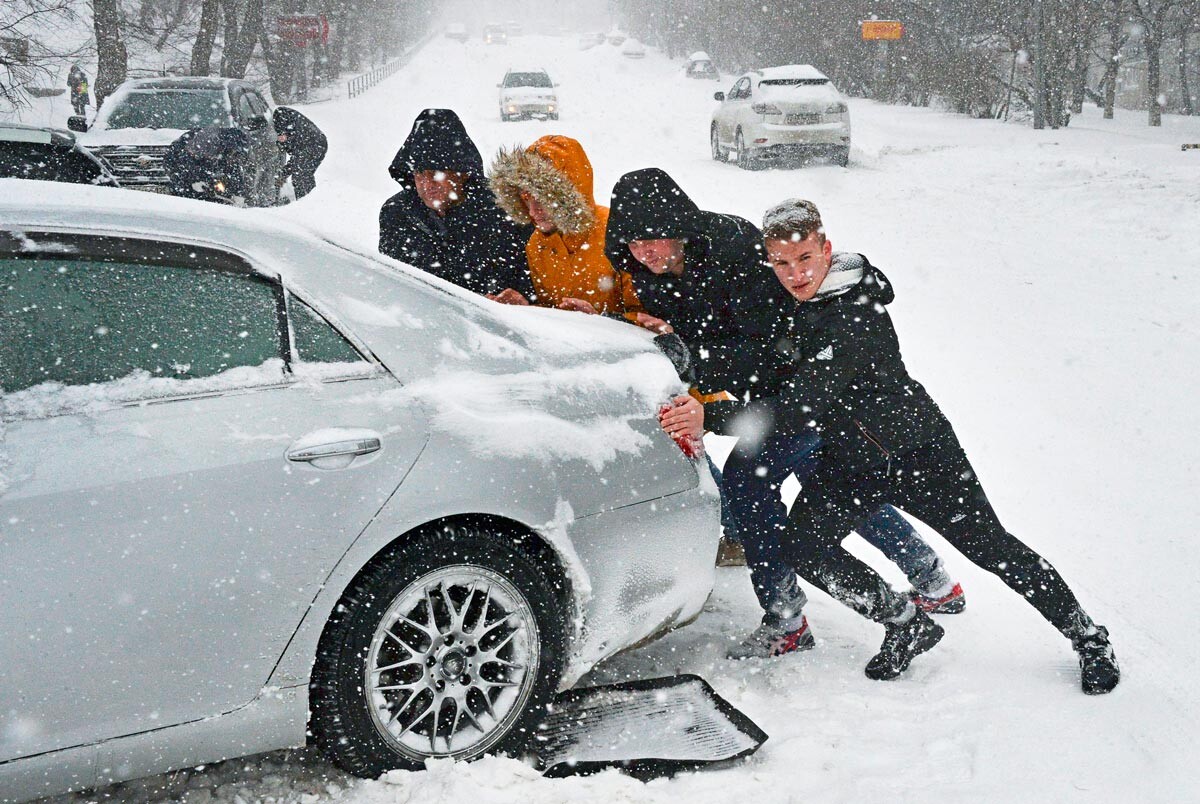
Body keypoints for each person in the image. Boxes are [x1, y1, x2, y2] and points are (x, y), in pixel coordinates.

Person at [698, 198, 1119, 693]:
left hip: (920, 452)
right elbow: (764, 365)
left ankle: (1089, 638)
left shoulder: (854, 311)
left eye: (805, 258)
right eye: (783, 263)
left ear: (826, 249)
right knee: (804, 547)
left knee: (993, 549)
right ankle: (905, 622)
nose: (795, 273)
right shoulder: (796, 306)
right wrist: (693, 361)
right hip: (853, 462)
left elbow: (801, 405)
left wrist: (712, 414)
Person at [604, 168, 965, 660]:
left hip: (800, 388)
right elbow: (700, 333)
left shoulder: (734, 252)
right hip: (771, 395)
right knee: (828, 479)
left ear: (679, 225)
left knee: (749, 482)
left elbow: (773, 347)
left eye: (652, 238)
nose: (643, 252)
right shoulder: (652, 270)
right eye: (633, 241)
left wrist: (700, 362)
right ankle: (931, 578)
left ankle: (786, 618)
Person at [379, 109, 532, 297]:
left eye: (437, 173)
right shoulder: (397, 213)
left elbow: (530, 279)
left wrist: (520, 297)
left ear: (463, 173)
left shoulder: (504, 211)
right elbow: (390, 282)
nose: (427, 184)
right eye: (419, 173)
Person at [487, 135, 641, 316]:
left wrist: (600, 320)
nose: (533, 211)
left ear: (568, 196)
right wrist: (525, 308)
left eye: (544, 199)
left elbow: (648, 320)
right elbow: (555, 316)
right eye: (527, 198)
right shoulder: (537, 244)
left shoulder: (616, 231)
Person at [163, 126, 252, 204]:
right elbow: (187, 163)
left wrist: (239, 194)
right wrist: (194, 180)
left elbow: (234, 172)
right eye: (234, 153)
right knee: (187, 194)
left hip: (197, 165)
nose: (234, 157)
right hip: (176, 162)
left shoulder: (228, 151)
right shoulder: (204, 143)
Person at [273, 106, 327, 199]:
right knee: (305, 174)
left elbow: (296, 159)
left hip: (315, 145)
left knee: (299, 176)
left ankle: (305, 202)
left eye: (282, 135)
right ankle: (312, 199)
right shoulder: (285, 124)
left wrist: (282, 175)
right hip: (318, 143)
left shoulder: (296, 133)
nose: (280, 138)